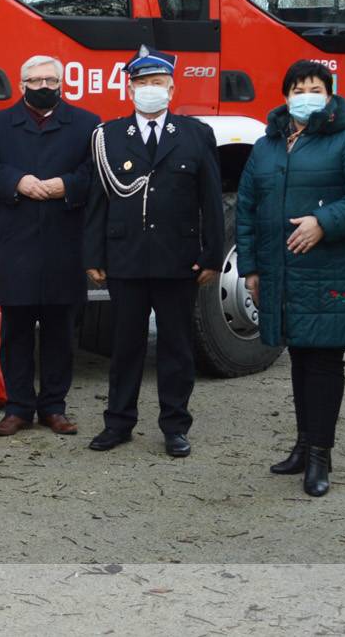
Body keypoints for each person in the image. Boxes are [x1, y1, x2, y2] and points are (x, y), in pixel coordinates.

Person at [236, 60, 345, 496]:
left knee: (323, 361)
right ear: (286, 95)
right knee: (300, 359)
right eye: (299, 87)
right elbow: (247, 207)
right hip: (282, 272)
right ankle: (304, 446)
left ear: (329, 94)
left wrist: (323, 221)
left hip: (330, 272)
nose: (307, 94)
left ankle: (321, 455)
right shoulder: (267, 145)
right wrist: (250, 267)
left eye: (315, 87)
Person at [83, 46, 224, 457]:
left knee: (176, 347)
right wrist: (93, 256)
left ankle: (175, 426)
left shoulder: (197, 135)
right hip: (125, 259)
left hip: (177, 260)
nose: (150, 90)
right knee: (125, 347)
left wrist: (213, 255)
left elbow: (211, 201)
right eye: (142, 83)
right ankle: (118, 423)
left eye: (157, 83)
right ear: (130, 89)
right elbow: (98, 200)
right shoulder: (108, 136)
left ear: (172, 88)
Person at [0, 55, 101, 437]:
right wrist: (17, 182)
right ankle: (19, 408)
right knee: (16, 332)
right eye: (36, 80)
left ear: (62, 83)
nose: (43, 86)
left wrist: (68, 185)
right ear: (20, 82)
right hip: (18, 243)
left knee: (61, 331)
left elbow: (96, 170)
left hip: (65, 241)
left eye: (50, 80)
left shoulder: (87, 124)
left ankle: (54, 408)